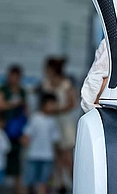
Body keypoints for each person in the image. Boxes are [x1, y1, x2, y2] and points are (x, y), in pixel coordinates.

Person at [38, 57, 76, 191]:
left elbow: (72, 103)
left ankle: (76, 184)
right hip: (51, 122)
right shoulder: (45, 83)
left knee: (67, 157)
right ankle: (60, 184)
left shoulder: (66, 84)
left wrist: (56, 109)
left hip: (64, 122)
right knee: (56, 157)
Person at [0, 65, 28, 190]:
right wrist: (12, 104)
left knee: (16, 160)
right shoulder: (2, 90)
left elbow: (25, 110)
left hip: (16, 130)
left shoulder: (22, 91)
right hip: (3, 127)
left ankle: (18, 187)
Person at [22, 92, 61, 194]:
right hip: (33, 155)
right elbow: (27, 134)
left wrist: (56, 156)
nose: (53, 107)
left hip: (47, 156)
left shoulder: (52, 121)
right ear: (43, 104)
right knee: (30, 182)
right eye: (51, 104)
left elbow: (55, 140)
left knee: (43, 182)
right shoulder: (35, 118)